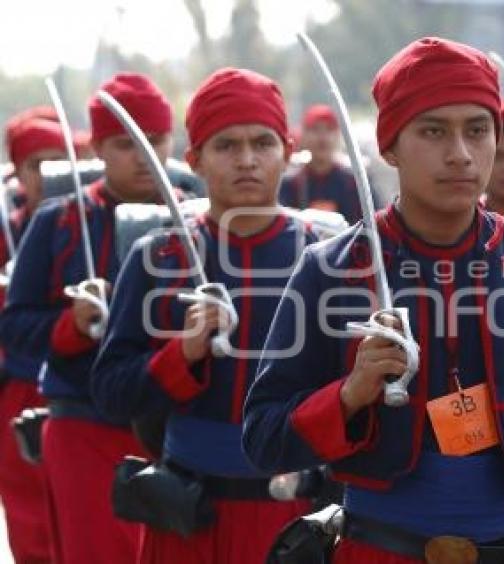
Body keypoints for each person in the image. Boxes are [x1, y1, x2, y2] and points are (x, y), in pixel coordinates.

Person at [243, 36, 504, 563]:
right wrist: (351, 394)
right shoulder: (332, 269)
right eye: (433, 131)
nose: (460, 154)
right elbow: (265, 438)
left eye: (477, 130)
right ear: (389, 146)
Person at [91, 67, 314, 563]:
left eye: (263, 142)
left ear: (288, 151)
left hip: (289, 519)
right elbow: (110, 391)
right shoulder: (159, 256)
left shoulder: (328, 259)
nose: (247, 160)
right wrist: (182, 353)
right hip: (185, 515)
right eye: (226, 145)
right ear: (194, 160)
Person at [0, 73, 174, 564]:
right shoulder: (57, 220)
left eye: (156, 141)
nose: (144, 155)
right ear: (98, 146)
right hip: (85, 429)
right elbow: (14, 326)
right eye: (126, 144)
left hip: (175, 432)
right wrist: (73, 325)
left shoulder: (197, 219)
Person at [0, 107, 66, 564]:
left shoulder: (89, 222)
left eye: (57, 160)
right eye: (35, 164)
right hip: (17, 388)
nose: (48, 174)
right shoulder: (6, 231)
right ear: (18, 171)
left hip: (77, 394)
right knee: (27, 517)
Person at [279, 104, 363, 223]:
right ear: (303, 135)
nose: (322, 138)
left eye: (329, 129)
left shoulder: (355, 184)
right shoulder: (291, 184)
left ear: (338, 135)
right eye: (315, 129)